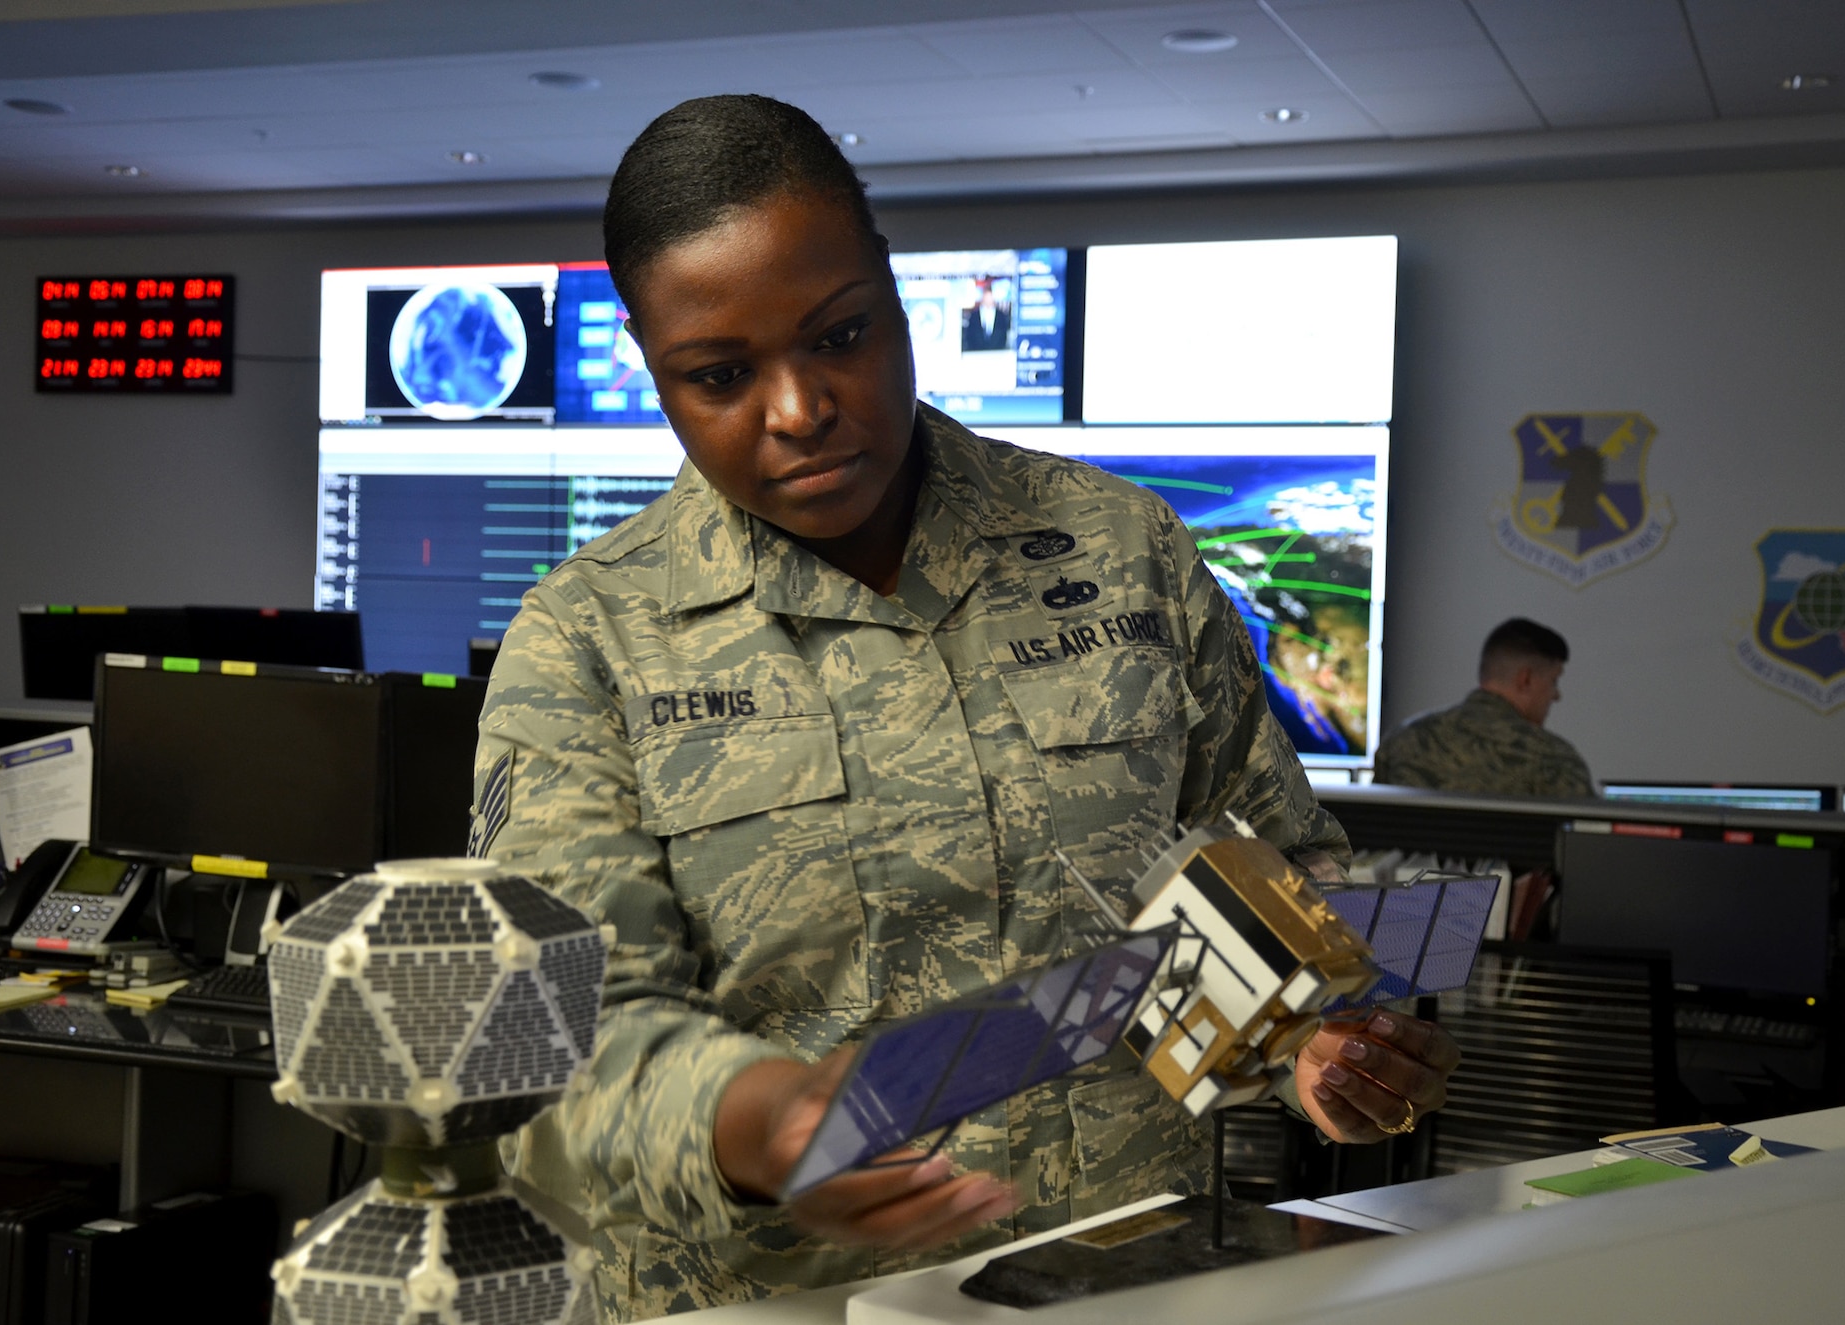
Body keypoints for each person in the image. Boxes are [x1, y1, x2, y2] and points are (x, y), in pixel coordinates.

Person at [475, 94, 1460, 1322]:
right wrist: (748, 1122)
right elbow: (548, 1057)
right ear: (650, 363)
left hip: (1124, 1281)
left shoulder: (1118, 548)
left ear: (897, 294)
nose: (796, 409)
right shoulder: (588, 637)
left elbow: (1261, 871)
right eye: (720, 375)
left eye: (840, 335)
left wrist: (1309, 1041)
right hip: (781, 1302)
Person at [1373, 617, 1595, 798]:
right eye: (1554, 682)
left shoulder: (1402, 741)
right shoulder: (1553, 760)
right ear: (1525, 679)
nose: (1556, 695)